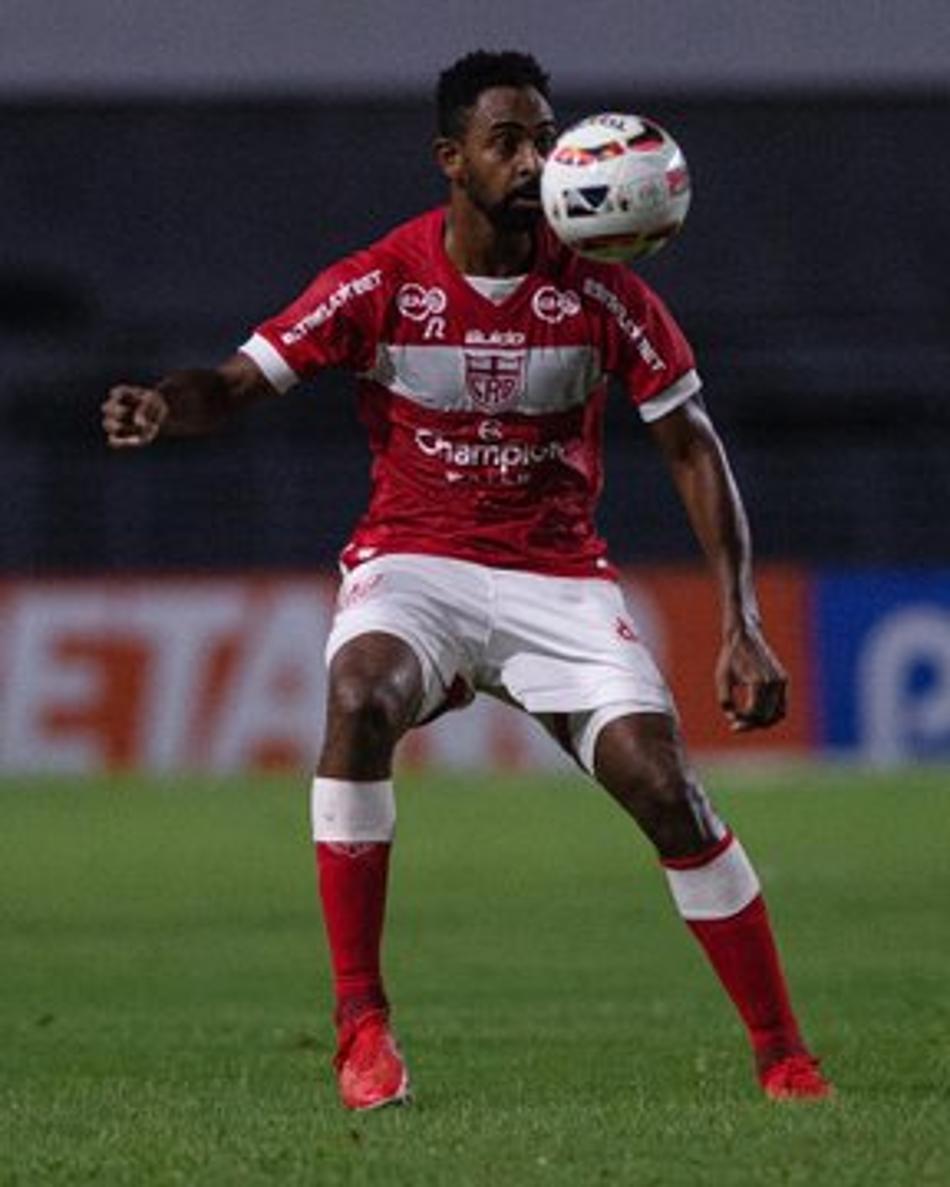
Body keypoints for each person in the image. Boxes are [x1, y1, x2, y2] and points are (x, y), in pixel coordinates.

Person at [101, 49, 832, 1111]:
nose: (534, 158)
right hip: (417, 560)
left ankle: (782, 1055)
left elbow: (689, 445)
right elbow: (234, 381)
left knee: (664, 786)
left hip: (556, 578)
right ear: (452, 159)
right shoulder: (383, 280)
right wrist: (168, 406)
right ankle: (361, 1026)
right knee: (358, 696)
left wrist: (740, 619)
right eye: (508, 140)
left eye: (544, 135)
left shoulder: (605, 294)